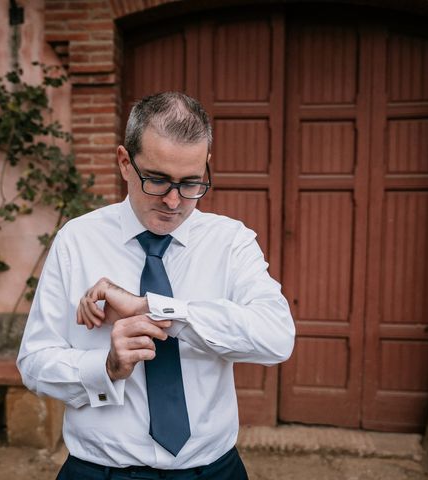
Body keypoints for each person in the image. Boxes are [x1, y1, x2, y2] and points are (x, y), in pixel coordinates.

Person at [17, 92, 295, 479]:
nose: (173, 200)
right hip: (101, 472)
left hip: (212, 471)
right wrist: (106, 367)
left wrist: (155, 310)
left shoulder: (231, 242)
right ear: (124, 163)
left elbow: (277, 338)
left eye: (191, 182)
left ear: (206, 167)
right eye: (157, 180)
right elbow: (34, 363)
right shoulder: (76, 241)